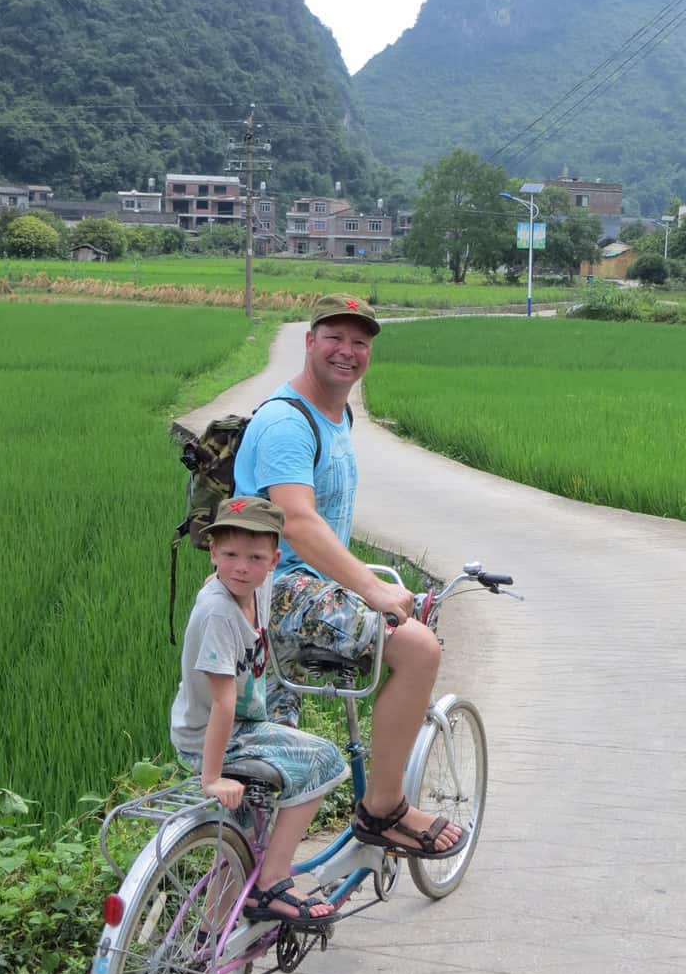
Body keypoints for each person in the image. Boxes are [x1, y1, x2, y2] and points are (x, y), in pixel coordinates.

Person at [233, 293, 465, 860]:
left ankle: (246, 904)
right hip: (278, 593)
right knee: (417, 649)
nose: (348, 351)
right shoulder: (288, 422)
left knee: (270, 760)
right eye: (334, 337)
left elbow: (322, 526)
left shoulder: (337, 415)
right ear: (309, 342)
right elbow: (297, 521)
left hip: (277, 596)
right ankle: (384, 810)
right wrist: (373, 588)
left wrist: (358, 580)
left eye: (360, 342)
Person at [170, 495, 348, 927]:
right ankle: (273, 881)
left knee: (245, 836)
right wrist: (212, 778)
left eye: (254, 557)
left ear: (274, 560)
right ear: (211, 552)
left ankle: (209, 941)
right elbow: (224, 703)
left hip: (239, 725)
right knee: (325, 760)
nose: (240, 567)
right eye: (229, 555)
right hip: (214, 737)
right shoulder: (217, 611)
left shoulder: (258, 587)